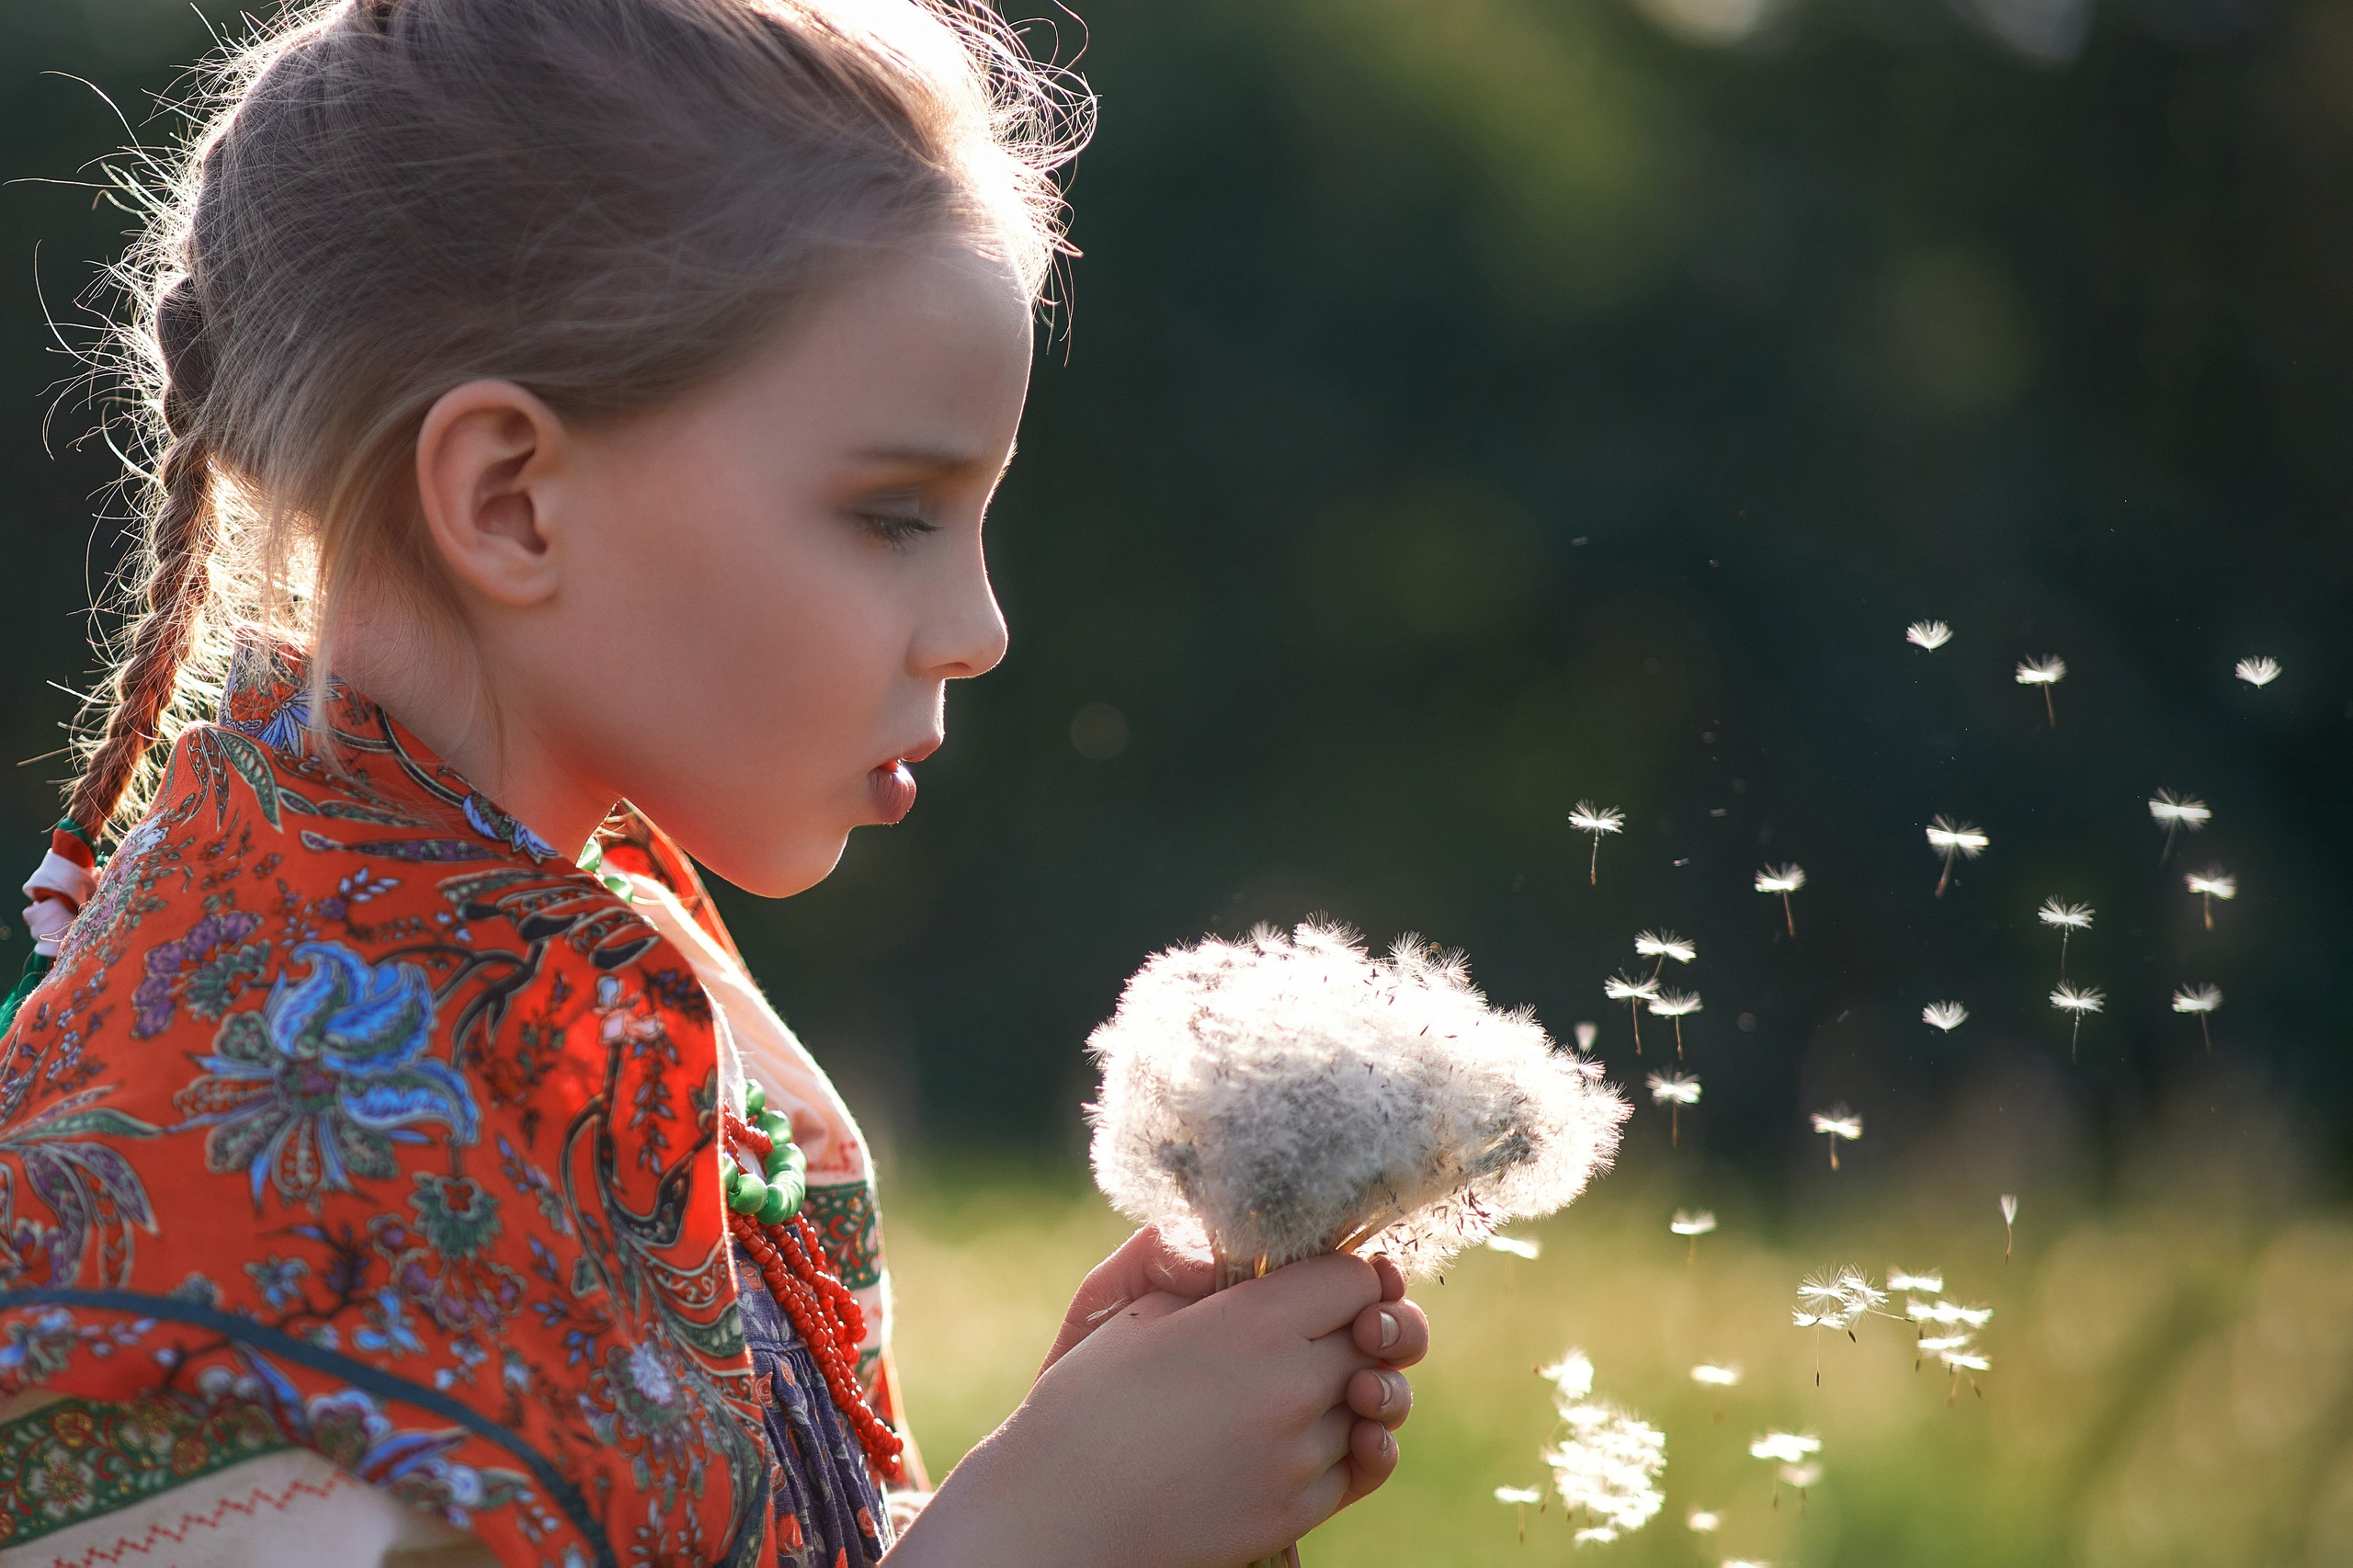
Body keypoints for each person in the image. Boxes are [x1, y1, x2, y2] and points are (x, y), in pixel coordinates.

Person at [0, 2, 1430, 1563]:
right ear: (510, 500)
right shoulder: (250, 1160)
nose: (980, 629)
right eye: (894, 514)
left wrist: (1063, 1477)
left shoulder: (586, 980)